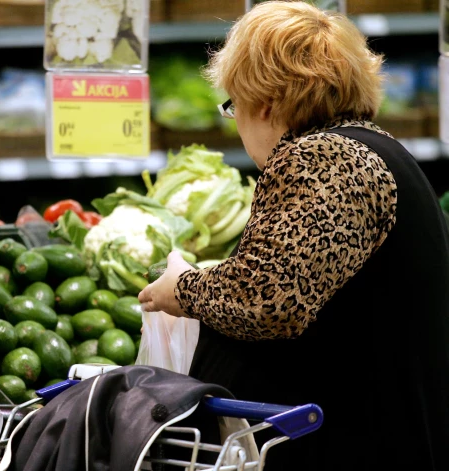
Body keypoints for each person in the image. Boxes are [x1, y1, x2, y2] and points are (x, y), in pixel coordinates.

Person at [137, 2, 449, 470]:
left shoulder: (323, 158)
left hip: (360, 442)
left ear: (264, 104)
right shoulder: (372, 148)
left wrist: (180, 290)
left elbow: (267, 300)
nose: (236, 121)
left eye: (232, 106)